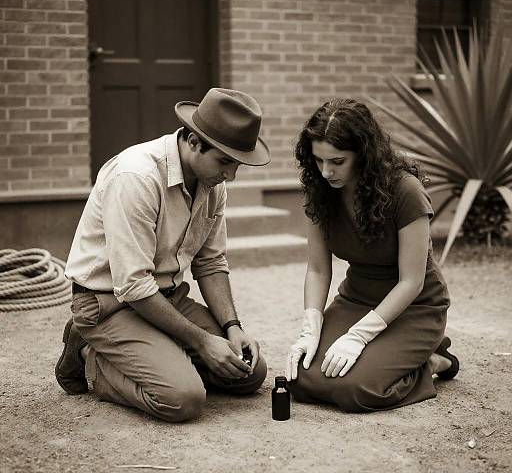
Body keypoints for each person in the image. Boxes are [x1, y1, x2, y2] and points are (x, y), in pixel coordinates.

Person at [55, 88, 270, 422]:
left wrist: (232, 327)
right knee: (182, 399)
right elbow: (134, 286)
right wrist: (201, 342)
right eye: (225, 161)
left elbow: (210, 262)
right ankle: (87, 355)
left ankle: (160, 352)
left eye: (237, 164)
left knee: (248, 373)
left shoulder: (212, 183)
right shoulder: (135, 176)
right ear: (194, 141)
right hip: (109, 303)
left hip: (166, 298)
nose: (230, 175)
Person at [285, 98, 459, 412]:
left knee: (357, 390)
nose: (326, 171)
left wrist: (360, 336)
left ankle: (434, 361)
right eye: (319, 160)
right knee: (301, 378)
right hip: (357, 300)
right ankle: (400, 358)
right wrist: (311, 327)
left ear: (363, 155)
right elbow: (318, 270)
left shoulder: (405, 191)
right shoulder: (320, 190)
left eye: (337, 161)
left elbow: (411, 282)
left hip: (414, 307)